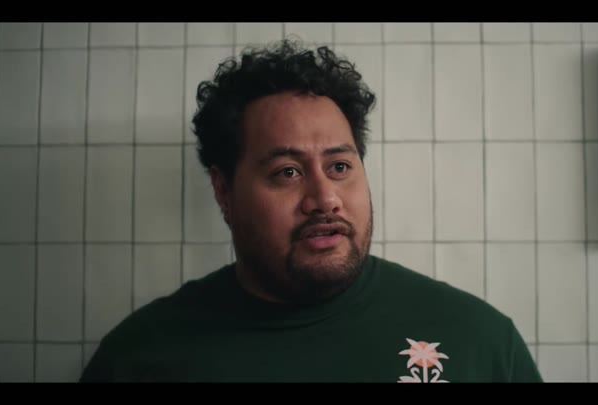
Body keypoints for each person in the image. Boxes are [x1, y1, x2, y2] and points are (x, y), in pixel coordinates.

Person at [80, 38, 542, 383]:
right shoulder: (140, 359)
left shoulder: (478, 342)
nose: (325, 198)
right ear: (224, 191)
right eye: (287, 172)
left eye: (339, 166)